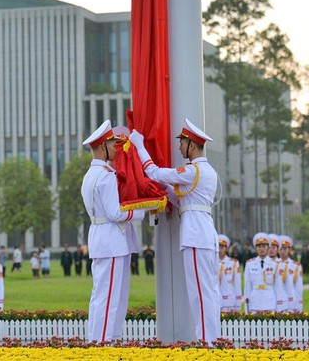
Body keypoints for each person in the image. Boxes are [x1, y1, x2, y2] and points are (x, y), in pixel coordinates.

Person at [130, 119, 219, 344]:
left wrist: (140, 147)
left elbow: (153, 172)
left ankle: (208, 342)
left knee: (201, 293)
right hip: (201, 233)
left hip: (197, 236)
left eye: (182, 142)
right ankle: (210, 340)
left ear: (193, 145)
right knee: (205, 292)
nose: (179, 147)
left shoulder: (194, 170)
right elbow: (182, 200)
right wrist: (164, 189)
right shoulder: (202, 171)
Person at [82, 120, 146, 343]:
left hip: (102, 238)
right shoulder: (106, 176)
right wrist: (140, 211)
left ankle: (106, 338)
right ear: (102, 147)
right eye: (112, 144)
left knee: (105, 295)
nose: (115, 148)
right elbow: (115, 213)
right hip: (111, 239)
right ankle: (103, 342)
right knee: (110, 297)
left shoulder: (91, 174)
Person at [244, 233, 285, 313]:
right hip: (254, 302)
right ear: (256, 248)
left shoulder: (275, 265)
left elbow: (278, 287)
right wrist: (246, 307)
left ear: (268, 248)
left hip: (269, 302)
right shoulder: (249, 264)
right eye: (259, 246)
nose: (261, 249)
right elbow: (247, 287)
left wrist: (279, 308)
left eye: (264, 246)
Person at [217, 235, 242, 312]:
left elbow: (237, 284)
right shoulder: (212, 263)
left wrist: (238, 303)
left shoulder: (233, 263)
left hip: (230, 301)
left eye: (222, 247)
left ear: (226, 248)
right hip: (216, 301)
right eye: (217, 247)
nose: (219, 250)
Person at [279, 235, 303, 312]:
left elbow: (298, 287)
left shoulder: (295, 265)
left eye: (285, 248)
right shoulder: (273, 265)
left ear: (289, 249)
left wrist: (299, 304)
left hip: (291, 300)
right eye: (280, 249)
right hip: (278, 300)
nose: (282, 251)